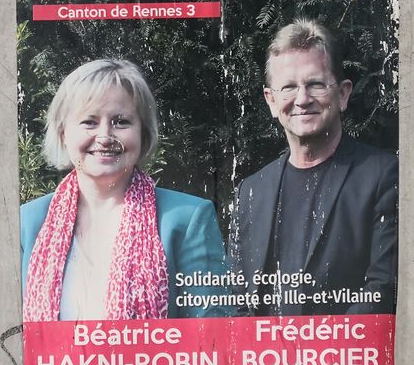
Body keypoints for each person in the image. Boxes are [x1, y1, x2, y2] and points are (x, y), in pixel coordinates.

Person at [21, 59, 228, 321]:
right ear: (63, 134)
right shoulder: (26, 224)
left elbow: (213, 338)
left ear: (143, 133)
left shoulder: (188, 219)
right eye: (89, 121)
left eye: (121, 122)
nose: (105, 136)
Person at [229, 19, 398, 315]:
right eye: (289, 87)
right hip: (266, 359)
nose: (302, 99)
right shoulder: (250, 192)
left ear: (343, 94)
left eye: (315, 84)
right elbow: (239, 300)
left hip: (348, 357)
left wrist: (318, 355)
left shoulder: (383, 176)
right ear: (271, 100)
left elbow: (382, 288)